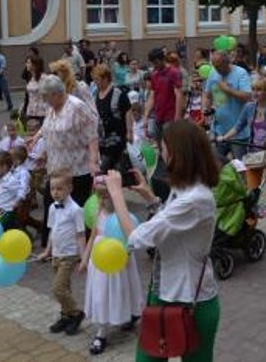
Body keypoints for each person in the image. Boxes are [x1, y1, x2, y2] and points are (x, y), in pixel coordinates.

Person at [104, 120, 220, 362]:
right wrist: (151, 199)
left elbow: (138, 239)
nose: (160, 153)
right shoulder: (183, 188)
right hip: (163, 292)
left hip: (191, 301)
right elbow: (170, 227)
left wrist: (116, 194)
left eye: (163, 148)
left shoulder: (196, 198)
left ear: (178, 153)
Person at [217, 77, 266, 235]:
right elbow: (238, 126)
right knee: (251, 194)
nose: (255, 93)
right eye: (253, 89)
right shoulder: (249, 108)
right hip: (254, 156)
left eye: (259, 90)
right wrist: (225, 137)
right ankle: (251, 225)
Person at [33, 74, 99, 247]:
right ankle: (53, 247)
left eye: (45, 97)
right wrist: (43, 153)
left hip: (77, 170)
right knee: (53, 207)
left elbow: (92, 136)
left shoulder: (77, 107)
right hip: (56, 169)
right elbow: (49, 132)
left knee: (75, 213)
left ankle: (79, 249)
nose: (44, 101)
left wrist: (93, 161)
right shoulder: (52, 108)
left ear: (56, 94)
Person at [79, 176, 142, 356]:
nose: (102, 200)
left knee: (121, 289)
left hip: (118, 259)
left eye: (106, 195)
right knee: (101, 294)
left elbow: (131, 237)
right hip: (100, 261)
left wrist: (125, 253)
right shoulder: (98, 213)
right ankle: (102, 331)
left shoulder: (122, 216)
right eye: (99, 196)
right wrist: (84, 258)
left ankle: (129, 314)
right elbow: (93, 236)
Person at [36, 169, 87, 336]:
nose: (55, 192)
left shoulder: (76, 210)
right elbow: (53, 231)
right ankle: (66, 316)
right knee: (65, 288)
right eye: (52, 189)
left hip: (69, 255)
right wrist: (47, 251)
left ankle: (76, 313)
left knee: (58, 288)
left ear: (69, 188)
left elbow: (81, 235)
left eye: (59, 188)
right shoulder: (52, 207)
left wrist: (83, 258)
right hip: (56, 254)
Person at [145, 48, 185, 200]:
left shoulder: (174, 72)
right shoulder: (155, 74)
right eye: (153, 63)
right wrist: (146, 115)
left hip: (170, 116)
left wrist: (177, 117)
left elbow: (178, 94)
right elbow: (152, 95)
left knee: (169, 148)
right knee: (161, 149)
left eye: (156, 62)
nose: (155, 66)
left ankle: (174, 178)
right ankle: (165, 178)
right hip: (158, 116)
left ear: (162, 59)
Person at [204, 50, 251, 163]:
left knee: (239, 166)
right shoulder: (213, 73)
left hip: (238, 133)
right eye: (214, 66)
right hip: (219, 130)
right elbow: (207, 94)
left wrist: (227, 90)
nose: (217, 69)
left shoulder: (241, 73)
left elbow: (247, 97)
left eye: (219, 66)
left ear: (227, 62)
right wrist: (206, 107)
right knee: (215, 165)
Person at [93, 64, 132, 173]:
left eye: (97, 79)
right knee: (107, 168)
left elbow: (127, 111)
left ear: (105, 78)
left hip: (117, 138)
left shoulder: (118, 93)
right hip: (102, 140)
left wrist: (130, 132)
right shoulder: (96, 94)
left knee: (109, 167)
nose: (95, 82)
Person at [0, 150, 28, 230]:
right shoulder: (3, 178)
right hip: (1, 209)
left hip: (7, 211)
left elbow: (21, 190)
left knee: (1, 228)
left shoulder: (11, 180)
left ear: (4, 167)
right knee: (11, 228)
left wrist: (17, 201)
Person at [22, 55, 48, 125]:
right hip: (31, 110)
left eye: (29, 62)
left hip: (42, 111)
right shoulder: (31, 78)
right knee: (30, 129)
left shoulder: (44, 78)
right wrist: (23, 107)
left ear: (35, 65)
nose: (26, 64)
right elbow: (29, 96)